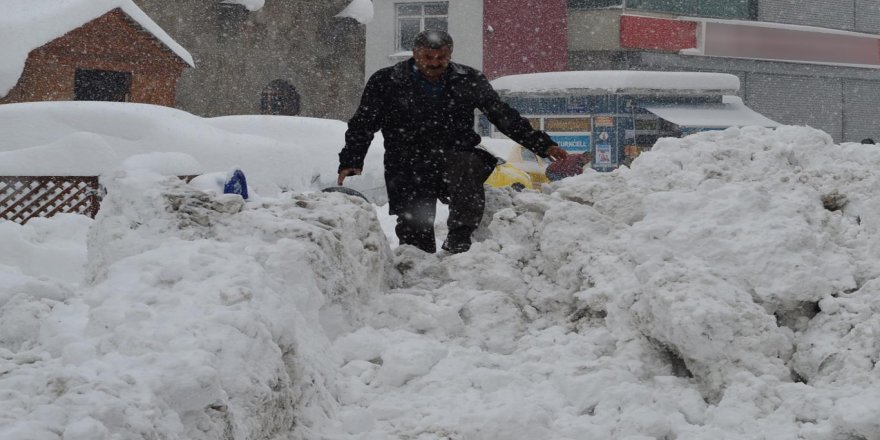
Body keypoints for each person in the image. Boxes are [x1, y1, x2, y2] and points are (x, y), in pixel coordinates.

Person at [337, 29, 568, 254]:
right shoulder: (387, 80)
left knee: (468, 164)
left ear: (451, 55)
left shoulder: (468, 79)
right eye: (428, 57)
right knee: (414, 230)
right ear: (415, 53)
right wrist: (352, 159)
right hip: (407, 163)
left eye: (442, 57)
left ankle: (460, 238)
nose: (435, 63)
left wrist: (543, 145)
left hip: (455, 157)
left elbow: (503, 116)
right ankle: (417, 266)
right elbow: (363, 123)